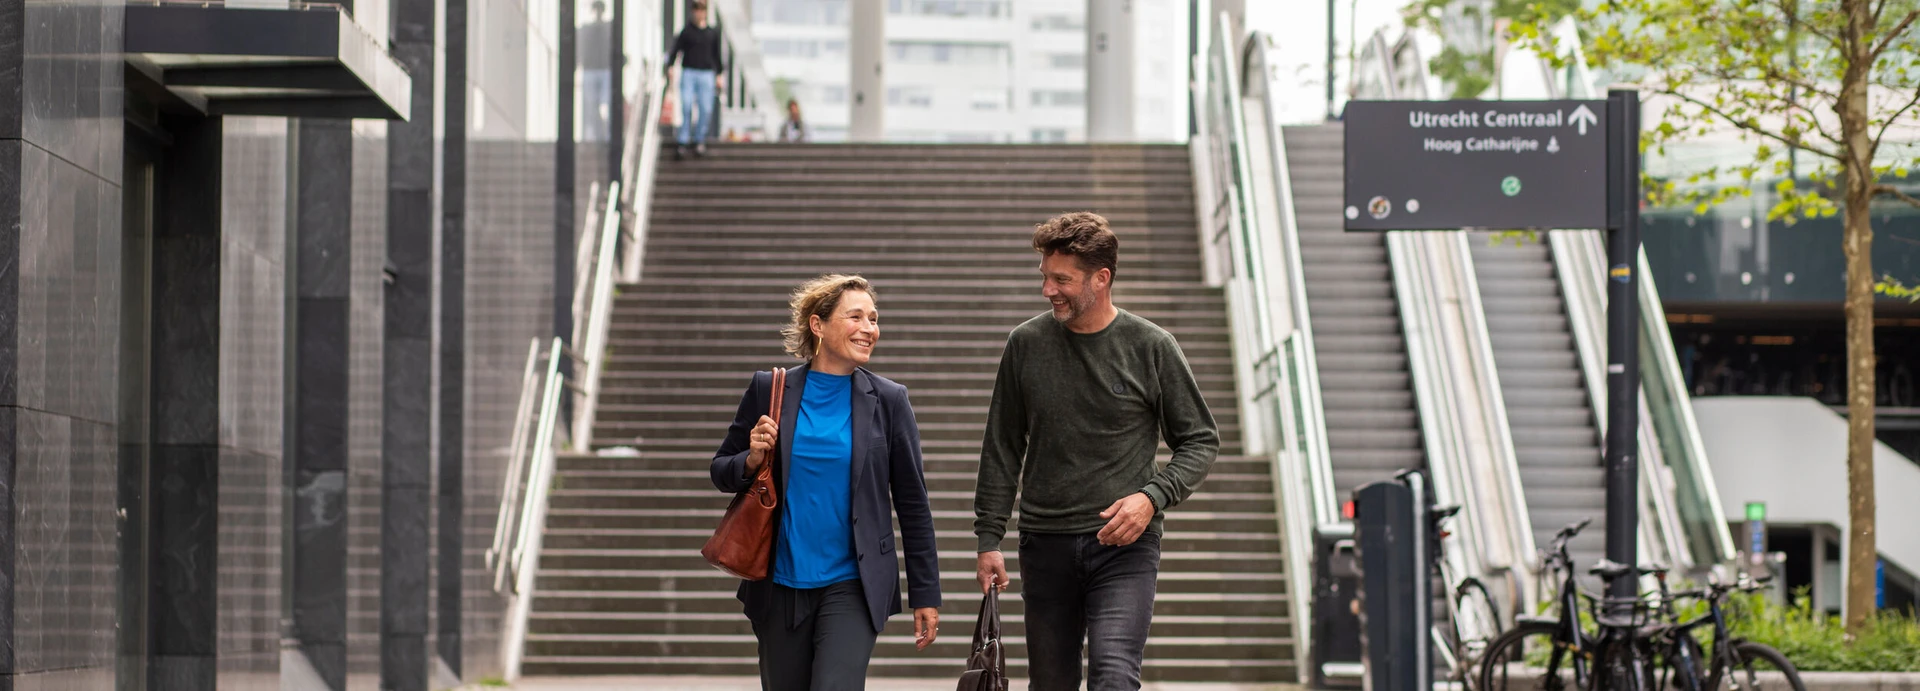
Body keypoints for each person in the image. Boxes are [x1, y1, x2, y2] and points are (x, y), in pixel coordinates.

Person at [972, 212, 1220, 691]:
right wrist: (989, 538)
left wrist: (1151, 497)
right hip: (1045, 543)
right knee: (1051, 683)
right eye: (1044, 277)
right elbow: (1001, 446)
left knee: (1114, 676)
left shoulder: (1151, 346)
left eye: (1061, 279)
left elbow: (1200, 438)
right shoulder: (1025, 344)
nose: (1048, 290)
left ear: (1101, 278)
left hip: (1124, 546)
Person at [711, 275, 943, 690]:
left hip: (852, 582)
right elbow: (721, 470)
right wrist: (752, 458)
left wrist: (925, 593)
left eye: (874, 318)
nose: (869, 328)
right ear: (818, 326)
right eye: (855, 316)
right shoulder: (770, 389)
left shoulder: (889, 400)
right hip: (778, 583)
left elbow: (913, 504)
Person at [665, 0, 726, 159]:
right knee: (686, 106)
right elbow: (675, 50)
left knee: (705, 109)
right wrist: (670, 65)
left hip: (706, 74)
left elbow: (716, 55)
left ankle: (699, 139)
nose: (698, 12)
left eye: (701, 9)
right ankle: (683, 140)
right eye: (696, 9)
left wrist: (719, 74)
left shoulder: (712, 33)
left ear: (705, 12)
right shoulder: (686, 32)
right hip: (689, 73)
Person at [578, 0, 614, 141]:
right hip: (591, 70)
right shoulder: (586, 29)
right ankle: (591, 136)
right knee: (590, 106)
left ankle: (605, 136)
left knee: (605, 105)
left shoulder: (608, 29)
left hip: (605, 70)